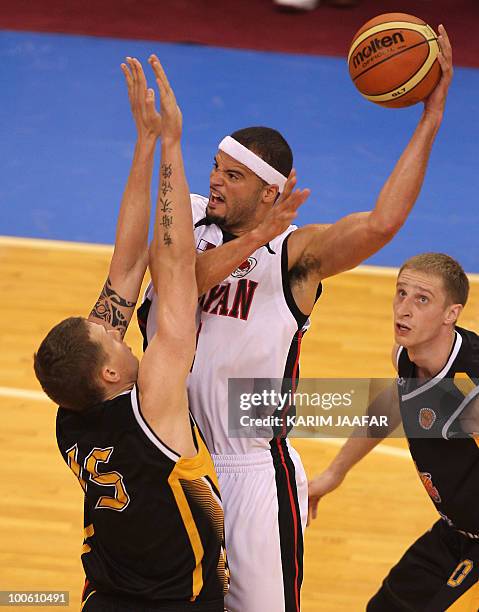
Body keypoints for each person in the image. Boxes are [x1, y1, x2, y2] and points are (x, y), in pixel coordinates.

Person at [139, 27, 453, 612]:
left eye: (234, 176)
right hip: (176, 463)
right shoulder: (190, 227)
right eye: (215, 167)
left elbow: (382, 223)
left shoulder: (294, 255)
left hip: (253, 471)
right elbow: (180, 285)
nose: (214, 182)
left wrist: (430, 116)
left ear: (270, 192)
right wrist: (248, 235)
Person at [33, 55, 231, 611]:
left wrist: (143, 141)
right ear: (111, 372)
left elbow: (125, 269)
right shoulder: (155, 408)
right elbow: (169, 270)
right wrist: (171, 145)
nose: (116, 330)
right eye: (112, 337)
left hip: (104, 592)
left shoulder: (70, 416)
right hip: (176, 600)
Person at [308, 252, 479, 610]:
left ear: (452, 313)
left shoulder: (470, 389)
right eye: (401, 293)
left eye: (422, 299)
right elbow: (396, 404)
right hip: (455, 531)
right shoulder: (406, 355)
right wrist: (334, 473)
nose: (404, 309)